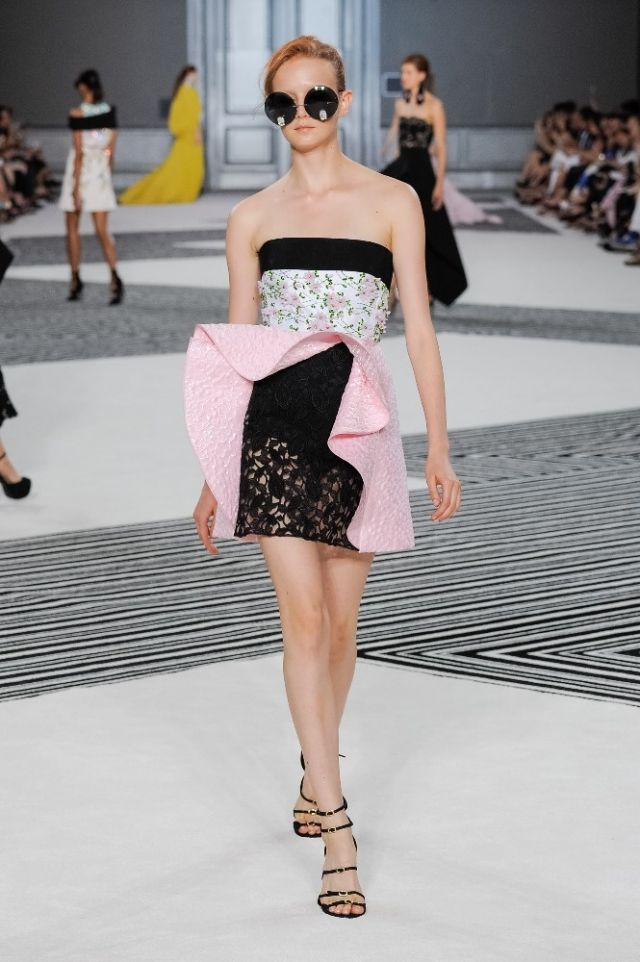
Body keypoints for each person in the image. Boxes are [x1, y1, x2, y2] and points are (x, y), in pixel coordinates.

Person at [183, 35, 461, 919]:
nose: (299, 115)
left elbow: (419, 328)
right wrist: (216, 470)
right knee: (303, 620)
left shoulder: (392, 201)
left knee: (341, 630)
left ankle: (315, 768)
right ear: (271, 113)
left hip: (361, 431)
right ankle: (338, 828)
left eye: (315, 99)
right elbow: (237, 350)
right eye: (282, 103)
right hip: (275, 431)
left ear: (341, 102)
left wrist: (438, 445)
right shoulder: (251, 218)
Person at [381, 53, 467, 306]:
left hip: (422, 171)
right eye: (402, 72)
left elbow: (441, 147)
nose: (404, 77)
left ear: (421, 75)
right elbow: (399, 141)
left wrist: (439, 183)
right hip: (402, 168)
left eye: (408, 72)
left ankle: (427, 287)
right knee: (392, 227)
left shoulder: (434, 106)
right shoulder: (400, 103)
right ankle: (391, 284)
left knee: (426, 231)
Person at [59, 69, 124, 305]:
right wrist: (105, 173)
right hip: (100, 173)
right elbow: (111, 152)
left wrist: (76, 188)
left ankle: (75, 279)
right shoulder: (109, 113)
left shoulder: (77, 114)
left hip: (82, 171)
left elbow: (78, 153)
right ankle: (115, 278)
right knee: (102, 230)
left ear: (83, 87)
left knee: (72, 229)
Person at [119, 66, 204, 204]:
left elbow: (195, 117)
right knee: (176, 168)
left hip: (192, 135)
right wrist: (192, 131)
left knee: (187, 167)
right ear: (187, 75)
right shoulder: (183, 93)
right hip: (187, 137)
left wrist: (196, 131)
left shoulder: (190, 93)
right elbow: (179, 120)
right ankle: (153, 193)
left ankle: (184, 192)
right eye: (192, 74)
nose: (195, 77)